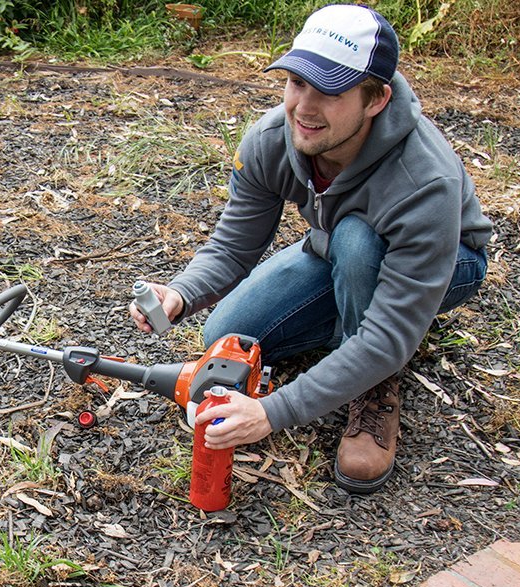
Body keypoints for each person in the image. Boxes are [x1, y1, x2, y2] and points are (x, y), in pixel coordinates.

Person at [129, 4, 492, 494]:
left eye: (329, 91)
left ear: (376, 99)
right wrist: (180, 293)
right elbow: (235, 244)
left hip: (451, 261)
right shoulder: (273, 139)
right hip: (331, 247)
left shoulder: (424, 182)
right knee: (229, 333)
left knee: (360, 248)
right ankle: (349, 326)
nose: (303, 107)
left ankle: (373, 388)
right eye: (297, 83)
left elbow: (386, 337)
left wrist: (271, 412)